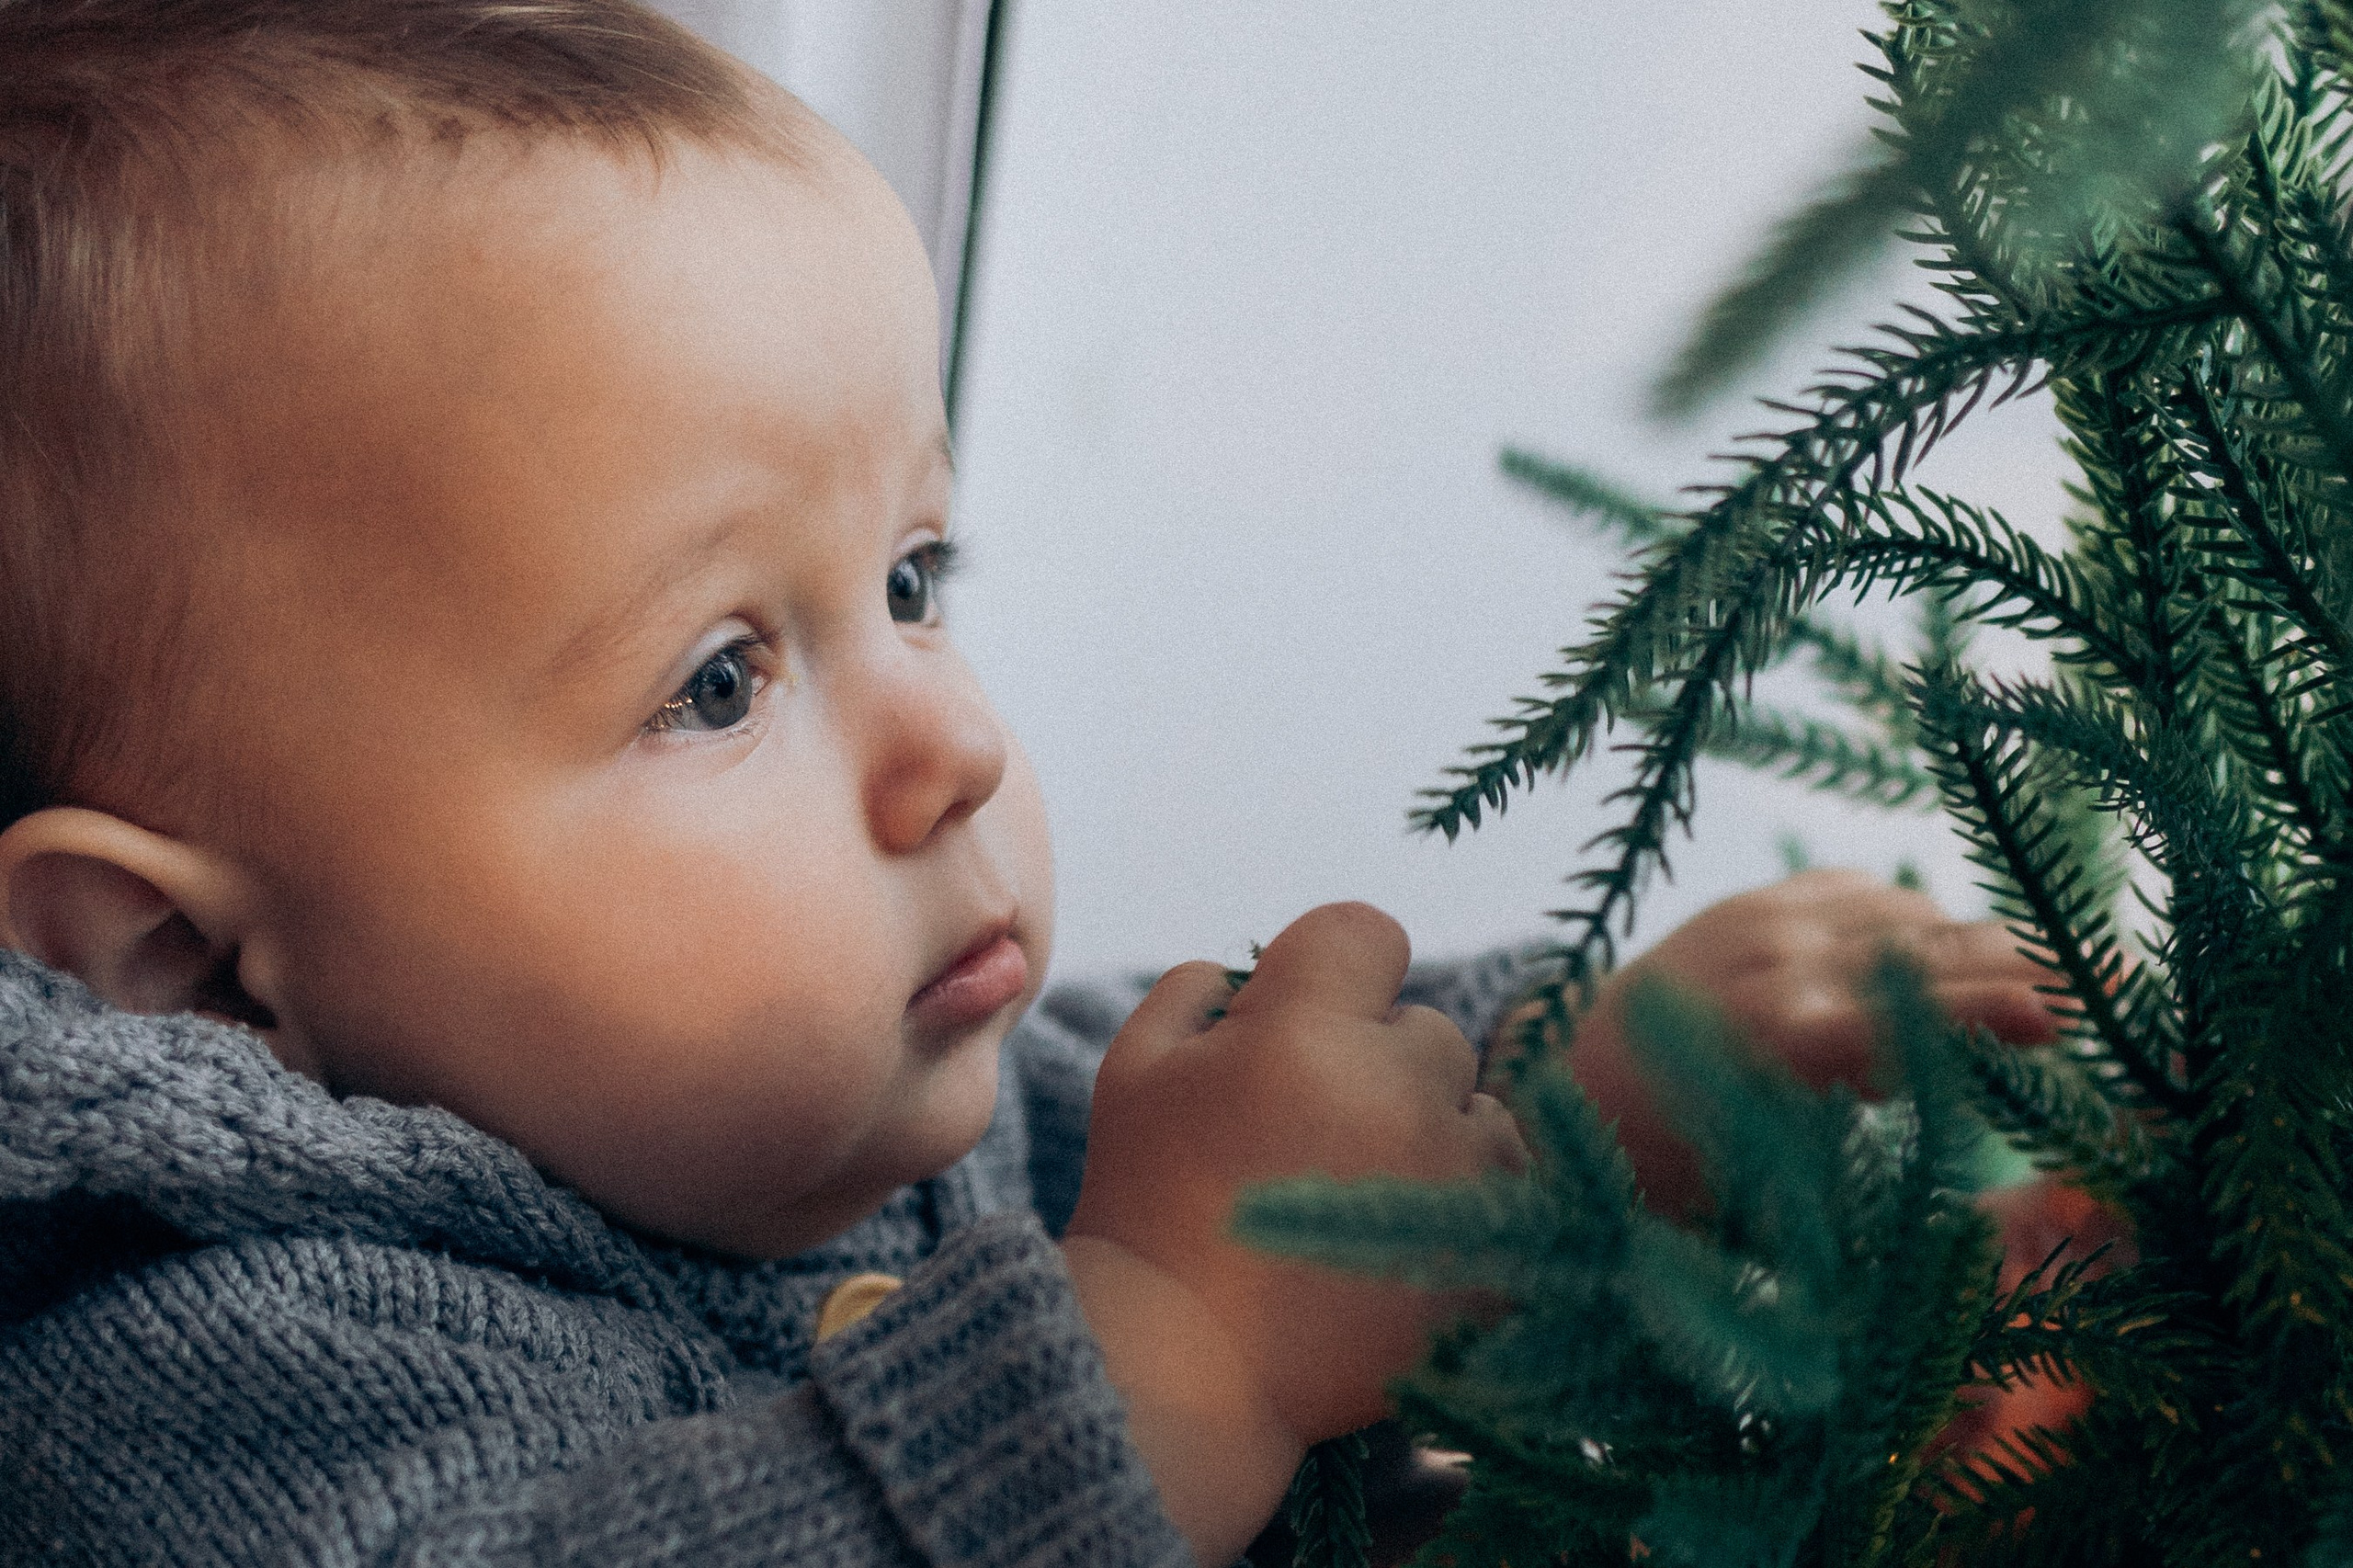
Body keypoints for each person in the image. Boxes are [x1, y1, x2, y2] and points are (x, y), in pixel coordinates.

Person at [0, 3, 2065, 1563]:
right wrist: (1173, 1341)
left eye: (911, 579)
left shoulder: (858, 1109)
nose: (958, 739)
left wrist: (1590, 1088)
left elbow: (1221, 1125)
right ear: (186, 961)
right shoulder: (199, 1383)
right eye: (717, 679)